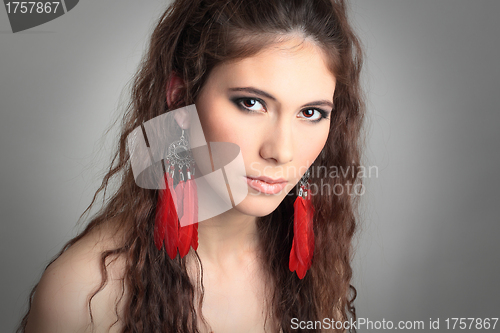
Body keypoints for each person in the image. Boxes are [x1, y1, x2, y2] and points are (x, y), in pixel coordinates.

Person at [17, 0, 364, 332]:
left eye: (311, 113)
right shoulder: (84, 293)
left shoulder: (318, 270)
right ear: (181, 96)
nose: (282, 151)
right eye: (251, 103)